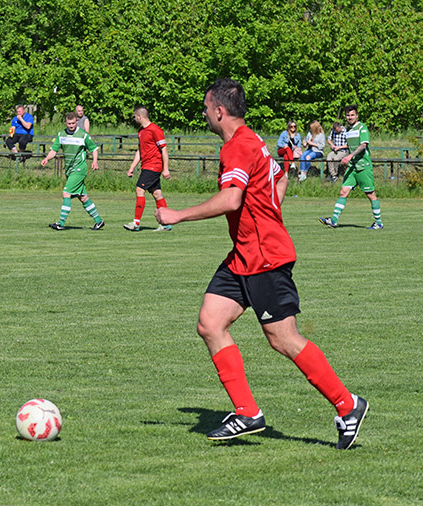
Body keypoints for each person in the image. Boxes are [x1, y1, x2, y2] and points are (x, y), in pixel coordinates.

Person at [155, 78, 368, 449]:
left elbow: (231, 200)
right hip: (244, 255)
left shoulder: (238, 147)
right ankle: (247, 412)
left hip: (265, 257)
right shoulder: (254, 140)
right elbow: (280, 176)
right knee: (210, 323)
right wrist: (269, 209)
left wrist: (177, 216)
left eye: (206, 108)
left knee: (283, 339)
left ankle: (348, 405)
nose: (205, 113)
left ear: (219, 111)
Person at [319, 105, 383, 230]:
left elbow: (363, 145)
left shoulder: (362, 128)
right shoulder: (347, 131)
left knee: (370, 194)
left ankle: (379, 223)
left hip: (363, 166)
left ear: (357, 116)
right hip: (352, 167)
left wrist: (350, 156)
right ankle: (333, 220)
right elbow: (348, 146)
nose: (350, 117)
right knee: (343, 191)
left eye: (352, 115)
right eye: (348, 115)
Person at [42, 112, 104, 230]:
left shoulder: (83, 135)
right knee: (83, 197)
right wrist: (47, 158)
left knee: (66, 193)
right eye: (69, 123)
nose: (71, 125)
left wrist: (95, 161)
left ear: (76, 122)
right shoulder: (61, 135)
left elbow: (94, 149)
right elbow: (54, 150)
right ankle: (99, 221)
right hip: (69, 170)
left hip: (79, 169)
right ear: (65, 123)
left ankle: (60, 223)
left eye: (73, 123)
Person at [123, 106, 172, 232]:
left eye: (134, 117)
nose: (134, 119)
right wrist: (132, 167)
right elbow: (140, 150)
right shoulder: (141, 131)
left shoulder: (155, 129)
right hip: (146, 166)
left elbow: (164, 149)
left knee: (140, 190)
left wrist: (165, 169)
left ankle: (136, 223)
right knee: (157, 194)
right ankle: (166, 223)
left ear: (140, 116)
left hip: (154, 166)